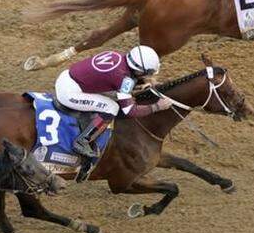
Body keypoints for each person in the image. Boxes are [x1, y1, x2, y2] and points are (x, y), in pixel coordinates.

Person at [54, 45, 172, 181]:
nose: (148, 76)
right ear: (138, 70)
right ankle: (82, 141)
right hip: (69, 93)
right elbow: (129, 111)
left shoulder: (117, 55)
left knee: (110, 100)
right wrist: (157, 106)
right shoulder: (124, 79)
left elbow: (114, 78)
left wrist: (142, 81)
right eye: (147, 73)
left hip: (67, 77)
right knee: (111, 107)